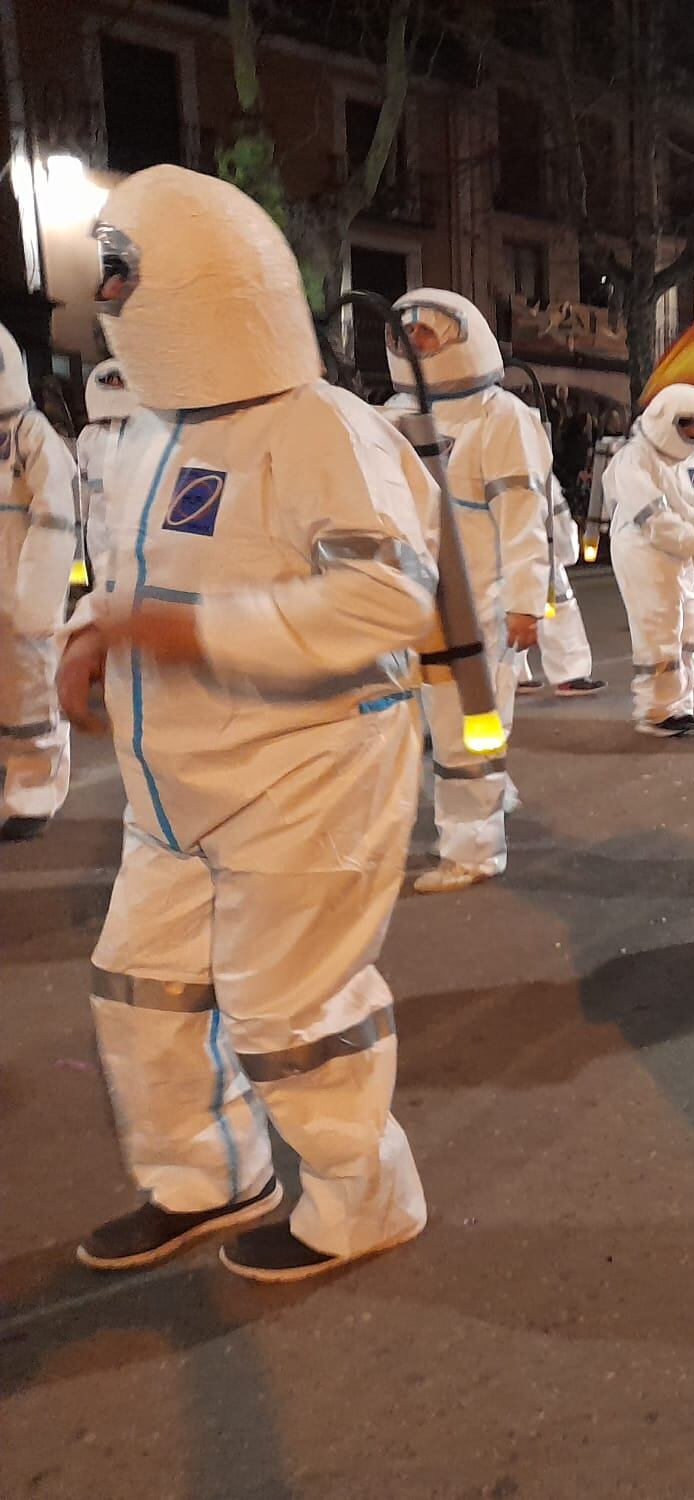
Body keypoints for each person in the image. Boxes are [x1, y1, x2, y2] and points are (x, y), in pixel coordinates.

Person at [60, 164, 432, 1280]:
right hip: (169, 784)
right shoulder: (139, 429)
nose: (109, 294)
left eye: (123, 272)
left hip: (306, 779)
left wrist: (198, 634)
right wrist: (91, 631)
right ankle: (208, 1179)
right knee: (143, 989)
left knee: (292, 1011)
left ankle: (362, 1202)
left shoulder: (323, 427)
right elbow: (131, 573)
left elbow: (391, 596)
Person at [381, 289, 549, 893]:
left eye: (428, 333)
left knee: (467, 728)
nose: (415, 345)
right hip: (406, 603)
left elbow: (524, 514)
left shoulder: (500, 415)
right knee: (416, 730)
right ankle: (479, 805)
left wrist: (526, 603)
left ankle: (474, 849)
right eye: (407, 335)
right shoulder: (390, 414)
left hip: (476, 605)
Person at [602, 383, 694, 736]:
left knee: (689, 629)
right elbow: (654, 519)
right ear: (665, 418)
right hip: (644, 550)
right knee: (659, 628)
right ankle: (656, 711)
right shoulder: (634, 458)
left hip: (685, 550)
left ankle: (680, 705)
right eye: (686, 424)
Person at [0, 324, 80, 841]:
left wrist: (36, 601)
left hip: (21, 597)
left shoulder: (31, 438)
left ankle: (33, 794)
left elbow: (55, 520)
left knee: (29, 699)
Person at [516, 464, 604, 698]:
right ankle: (569, 675)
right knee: (559, 608)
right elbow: (558, 515)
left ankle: (511, 675)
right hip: (539, 550)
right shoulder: (536, 463)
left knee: (510, 610)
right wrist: (567, 551)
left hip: (505, 551)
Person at [75, 358, 136, 586]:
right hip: (98, 550)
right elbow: (79, 501)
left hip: (137, 551)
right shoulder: (88, 438)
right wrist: (77, 571)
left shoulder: (148, 435)